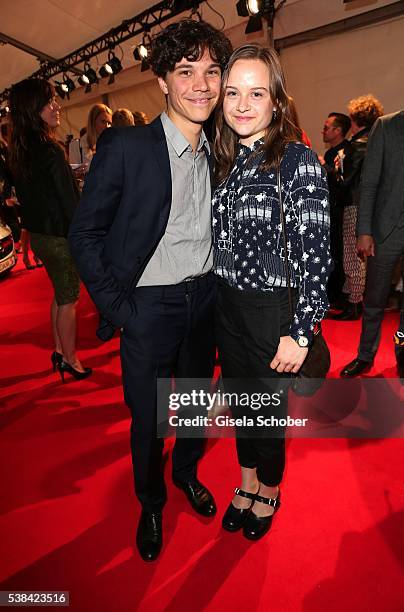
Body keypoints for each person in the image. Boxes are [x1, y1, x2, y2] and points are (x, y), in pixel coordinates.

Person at [69, 19, 232, 561]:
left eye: (211, 72)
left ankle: (185, 475)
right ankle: (150, 500)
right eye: (186, 72)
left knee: (190, 408)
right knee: (148, 418)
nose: (202, 85)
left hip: (203, 301)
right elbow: (84, 233)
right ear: (163, 79)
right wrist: (121, 308)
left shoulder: (221, 150)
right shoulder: (127, 147)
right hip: (148, 307)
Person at [212, 44, 331, 541]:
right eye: (233, 92)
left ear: (276, 101)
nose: (242, 104)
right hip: (228, 304)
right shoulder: (225, 161)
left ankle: (270, 488)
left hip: (270, 310)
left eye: (256, 93)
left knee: (266, 408)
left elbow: (317, 254)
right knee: (242, 402)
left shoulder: (296, 159)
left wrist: (301, 332)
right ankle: (245, 482)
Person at [8, 78, 91, 380]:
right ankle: (70, 359)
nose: (56, 107)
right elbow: (69, 205)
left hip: (42, 237)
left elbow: (40, 192)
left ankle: (59, 351)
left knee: (60, 294)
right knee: (69, 298)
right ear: (34, 109)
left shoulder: (21, 148)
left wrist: (68, 175)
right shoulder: (49, 150)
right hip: (60, 237)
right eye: (49, 102)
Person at [340, 108, 404, 383]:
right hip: (386, 229)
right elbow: (369, 183)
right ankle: (365, 355)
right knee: (375, 299)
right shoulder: (387, 125)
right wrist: (364, 231)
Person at [332, 94, 384, 321]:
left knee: (353, 255)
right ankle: (353, 300)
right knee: (363, 255)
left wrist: (336, 167)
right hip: (374, 205)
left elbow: (346, 180)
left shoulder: (356, 146)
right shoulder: (377, 140)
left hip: (355, 203)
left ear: (355, 120)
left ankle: (354, 304)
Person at [319, 112, 352, 308]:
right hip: (327, 210)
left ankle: (340, 297)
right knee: (328, 252)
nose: (323, 131)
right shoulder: (331, 153)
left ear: (338, 131)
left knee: (340, 253)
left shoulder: (347, 151)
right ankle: (330, 296)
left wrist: (325, 168)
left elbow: (343, 183)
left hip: (340, 211)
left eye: (327, 127)